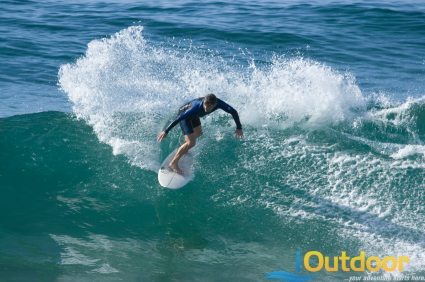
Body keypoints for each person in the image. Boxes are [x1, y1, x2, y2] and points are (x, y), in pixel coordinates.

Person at [157, 93, 243, 174]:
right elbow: (178, 118)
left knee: (198, 133)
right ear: (204, 101)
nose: (206, 107)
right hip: (185, 116)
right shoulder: (195, 107)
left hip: (195, 115)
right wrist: (166, 131)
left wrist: (239, 127)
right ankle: (173, 163)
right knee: (191, 143)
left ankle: (184, 147)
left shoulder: (219, 103)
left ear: (214, 105)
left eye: (209, 105)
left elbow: (233, 111)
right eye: (205, 104)